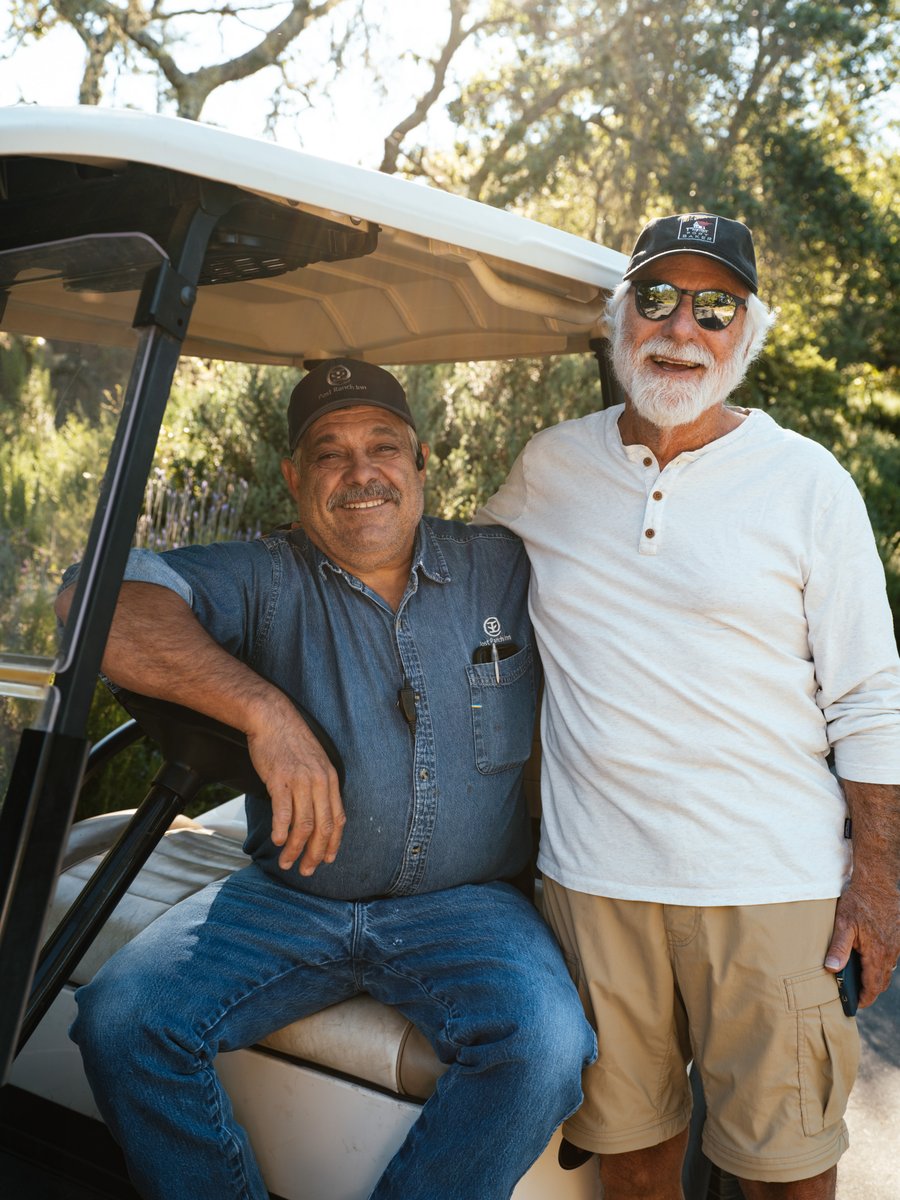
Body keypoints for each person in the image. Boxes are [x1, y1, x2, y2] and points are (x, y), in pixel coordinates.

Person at [55, 358, 596, 1200]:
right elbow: (95, 601)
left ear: (422, 463)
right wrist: (266, 712)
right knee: (124, 1020)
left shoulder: (504, 566)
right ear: (293, 477)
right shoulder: (265, 575)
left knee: (549, 1051)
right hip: (289, 898)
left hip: (468, 903)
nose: (360, 472)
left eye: (384, 446)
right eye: (329, 453)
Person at [475, 213, 900, 1200]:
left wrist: (878, 884)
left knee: (787, 1172)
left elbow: (873, 696)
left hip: (771, 885)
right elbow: (458, 591)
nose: (682, 329)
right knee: (629, 1164)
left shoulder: (807, 483)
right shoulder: (551, 467)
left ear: (747, 331)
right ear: (620, 318)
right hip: (592, 884)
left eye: (716, 308)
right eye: (657, 299)